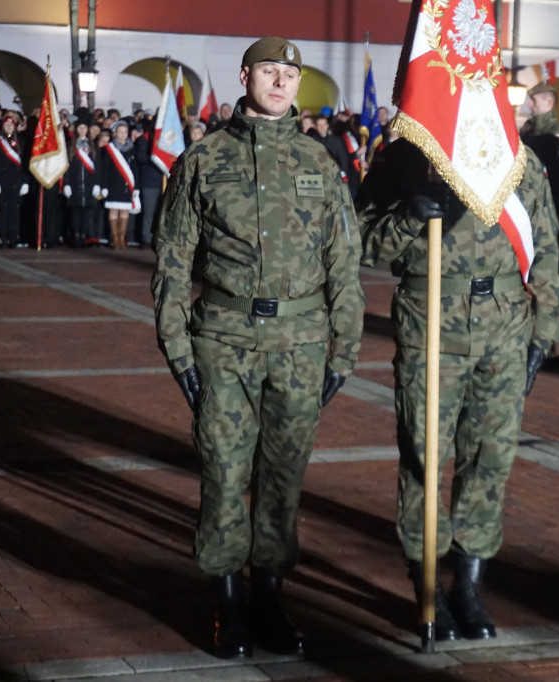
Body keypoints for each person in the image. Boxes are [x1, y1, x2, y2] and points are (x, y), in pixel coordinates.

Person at [151, 37, 365, 660]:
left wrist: (344, 351)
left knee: (283, 481)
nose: (280, 81)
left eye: (289, 73)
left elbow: (344, 264)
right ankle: (226, 609)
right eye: (269, 70)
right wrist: (178, 349)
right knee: (223, 474)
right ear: (245, 76)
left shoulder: (321, 163)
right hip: (223, 342)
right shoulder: (203, 160)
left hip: (300, 346)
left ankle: (270, 601)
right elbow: (172, 257)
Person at [358, 139, 559, 639]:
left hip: (507, 323)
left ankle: (468, 586)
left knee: (491, 457)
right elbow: (361, 241)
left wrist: (547, 329)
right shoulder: (406, 152)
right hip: (432, 321)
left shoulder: (519, 157)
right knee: (426, 455)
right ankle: (427, 586)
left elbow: (548, 247)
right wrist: (409, 215)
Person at [520, 81, 559, 218]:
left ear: (549, 102)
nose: (530, 105)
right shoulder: (528, 128)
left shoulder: (557, 132)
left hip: (548, 199)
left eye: (534, 101)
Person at [98, 120, 139, 249]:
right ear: (115, 133)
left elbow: (136, 169)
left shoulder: (132, 149)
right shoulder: (109, 149)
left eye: (125, 132)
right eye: (120, 132)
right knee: (113, 211)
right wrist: (103, 186)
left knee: (125, 212)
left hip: (127, 185)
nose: (123, 134)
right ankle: (115, 239)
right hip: (112, 185)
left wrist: (136, 186)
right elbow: (104, 169)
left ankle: (122, 238)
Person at [0, 113, 28, 249]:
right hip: (2, 181)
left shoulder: (20, 142)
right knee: (2, 211)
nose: (9, 127)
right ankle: (3, 238)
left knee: (15, 212)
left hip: (16, 182)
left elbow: (24, 164)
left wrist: (25, 182)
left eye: (11, 125)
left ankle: (13, 238)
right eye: (6, 125)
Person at [63, 117, 100, 249]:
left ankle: (84, 236)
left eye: (84, 127)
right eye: (80, 127)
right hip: (75, 183)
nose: (82, 130)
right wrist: (66, 183)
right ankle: (76, 236)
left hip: (89, 184)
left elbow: (97, 166)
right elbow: (66, 165)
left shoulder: (93, 146)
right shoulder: (70, 145)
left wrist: (97, 183)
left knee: (86, 213)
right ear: (76, 129)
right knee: (75, 213)